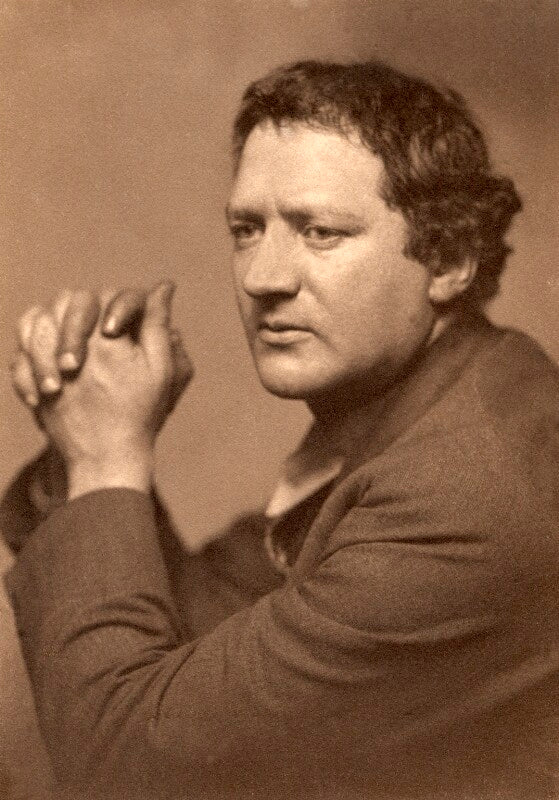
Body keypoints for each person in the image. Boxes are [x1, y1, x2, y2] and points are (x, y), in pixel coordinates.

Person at [2, 60, 558, 800]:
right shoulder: (420, 401)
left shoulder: (464, 490)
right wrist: (89, 425)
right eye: (246, 229)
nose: (262, 277)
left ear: (450, 258)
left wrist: (107, 458)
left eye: (319, 232)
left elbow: (128, 768)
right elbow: (211, 630)